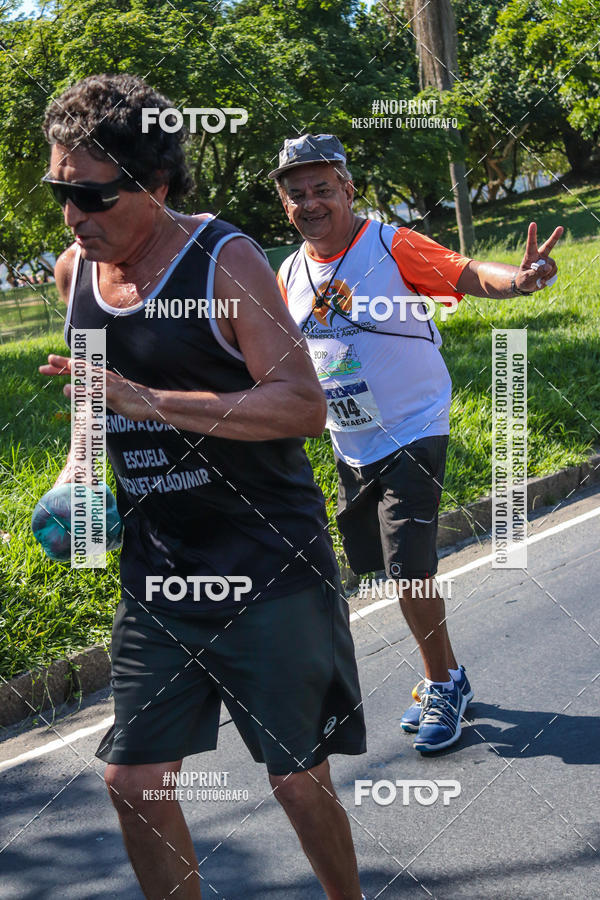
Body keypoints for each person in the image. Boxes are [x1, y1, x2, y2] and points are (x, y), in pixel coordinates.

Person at [39, 77, 366, 900]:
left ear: (153, 185)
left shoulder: (225, 258)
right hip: (159, 570)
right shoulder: (75, 269)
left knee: (296, 779)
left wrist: (152, 403)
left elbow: (300, 405)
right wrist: (77, 473)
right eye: (59, 192)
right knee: (134, 783)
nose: (73, 215)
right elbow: (91, 391)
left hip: (268, 560)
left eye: (90, 195)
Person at [270, 133, 563, 753]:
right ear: (285, 206)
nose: (311, 202)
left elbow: (466, 273)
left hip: (414, 424)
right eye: (297, 194)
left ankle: (443, 680)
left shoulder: (388, 244)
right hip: (349, 440)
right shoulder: (289, 272)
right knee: (375, 567)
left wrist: (521, 280)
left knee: (409, 568)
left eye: (323, 189)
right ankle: (446, 670)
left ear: (348, 189)